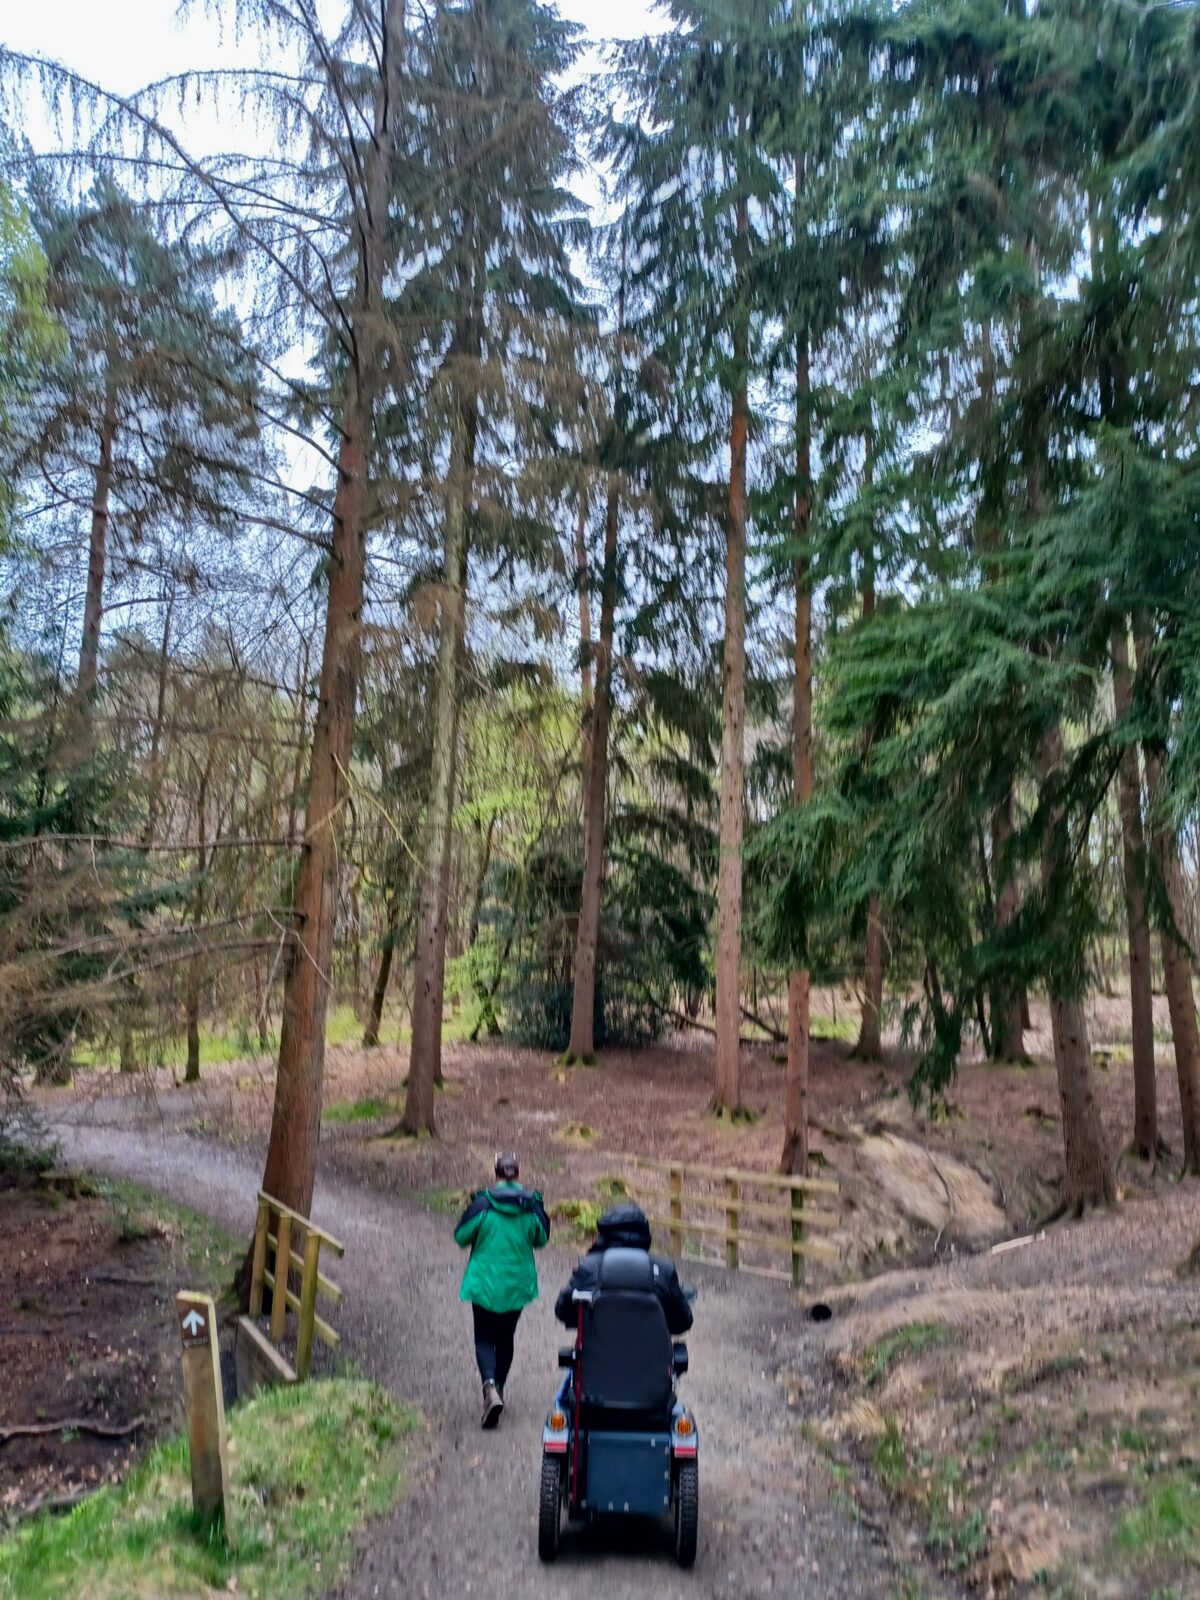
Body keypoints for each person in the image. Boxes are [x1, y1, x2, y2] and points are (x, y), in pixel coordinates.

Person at [454, 1153, 550, 1428]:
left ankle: (489, 1388)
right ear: (517, 1174)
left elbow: (460, 1237)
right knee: (505, 1337)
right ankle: (499, 1387)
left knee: (484, 1335)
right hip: (516, 1283)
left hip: (485, 1281)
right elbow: (542, 1239)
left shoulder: (482, 1203)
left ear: (496, 1174)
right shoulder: (532, 1205)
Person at [554, 1201, 693, 1335]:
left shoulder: (589, 1266)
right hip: (651, 1356)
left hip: (597, 1355)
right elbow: (683, 1322)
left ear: (604, 1232)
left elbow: (563, 1311)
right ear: (644, 1230)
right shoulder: (663, 1269)